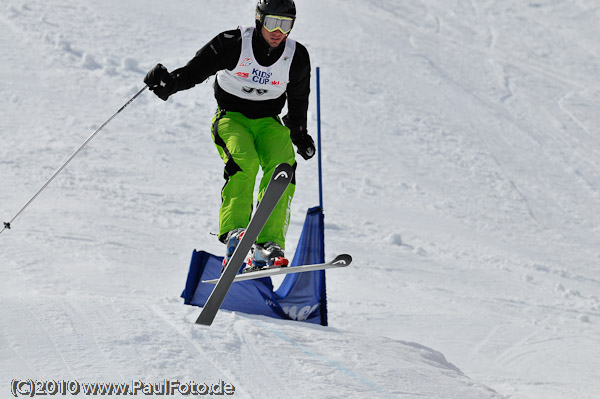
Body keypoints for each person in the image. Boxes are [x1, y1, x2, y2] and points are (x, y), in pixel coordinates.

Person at [144, 0, 315, 270]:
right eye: (272, 22)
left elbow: (298, 98)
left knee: (283, 165)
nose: (278, 31)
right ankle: (236, 231)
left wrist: (299, 134)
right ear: (259, 19)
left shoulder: (296, 56)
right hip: (231, 118)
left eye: (286, 25)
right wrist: (170, 83)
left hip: (268, 122)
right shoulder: (234, 42)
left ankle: (269, 244)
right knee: (245, 162)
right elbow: (196, 70)